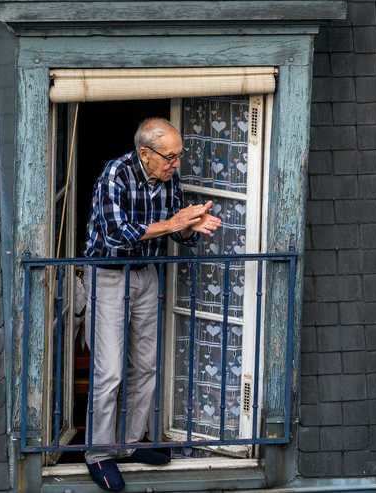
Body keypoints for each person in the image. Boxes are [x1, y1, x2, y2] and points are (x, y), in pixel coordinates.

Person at [83, 117, 221, 491]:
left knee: (145, 365)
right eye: (169, 157)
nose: (175, 164)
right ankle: (98, 454)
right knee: (109, 371)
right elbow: (117, 233)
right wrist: (173, 222)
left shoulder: (168, 177)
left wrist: (193, 224)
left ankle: (126, 446)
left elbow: (174, 228)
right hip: (109, 273)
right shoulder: (116, 173)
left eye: (178, 156)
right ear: (145, 153)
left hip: (145, 274)